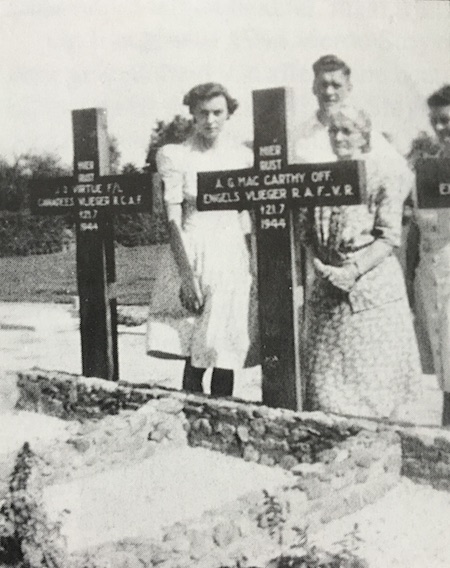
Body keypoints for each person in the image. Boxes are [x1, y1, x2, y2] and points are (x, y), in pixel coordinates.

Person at [299, 105, 422, 419]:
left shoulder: (383, 173)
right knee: (327, 388)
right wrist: (320, 267)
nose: (338, 137)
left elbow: (389, 236)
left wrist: (351, 272)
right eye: (333, 130)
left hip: (370, 291)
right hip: (327, 288)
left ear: (364, 135)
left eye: (347, 131)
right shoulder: (319, 177)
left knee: (371, 389)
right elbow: (307, 235)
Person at [294, 55, 413, 345]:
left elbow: (401, 177)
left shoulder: (361, 127)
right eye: (323, 84)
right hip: (316, 253)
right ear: (313, 87)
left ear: (349, 87)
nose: (329, 91)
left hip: (362, 258)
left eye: (336, 84)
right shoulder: (300, 137)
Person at [147, 82, 257, 396]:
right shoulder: (175, 155)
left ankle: (222, 414)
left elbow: (245, 213)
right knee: (195, 342)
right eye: (203, 113)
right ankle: (188, 413)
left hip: (231, 248)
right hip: (192, 246)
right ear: (192, 114)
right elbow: (172, 217)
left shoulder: (241, 156)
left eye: (218, 112)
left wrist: (252, 257)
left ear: (228, 113)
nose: (210, 120)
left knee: (225, 341)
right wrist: (186, 274)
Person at [406, 85, 450, 424]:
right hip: (432, 272)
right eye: (436, 122)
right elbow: (415, 229)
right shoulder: (426, 171)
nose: (441, 129)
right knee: (441, 349)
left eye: (447, 121)